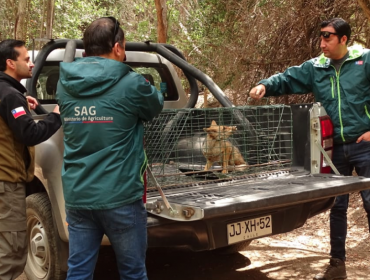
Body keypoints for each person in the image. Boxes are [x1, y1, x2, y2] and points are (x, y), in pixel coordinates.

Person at [249, 18, 370, 280]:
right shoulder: (317, 67)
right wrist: (265, 85)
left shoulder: (365, 61)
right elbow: (288, 78)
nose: (322, 43)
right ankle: (337, 265)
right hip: (334, 149)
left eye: (328, 37)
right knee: (337, 206)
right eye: (321, 37)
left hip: (365, 146)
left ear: (344, 39)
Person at [56, 17, 164, 280]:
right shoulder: (132, 83)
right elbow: (155, 105)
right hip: (120, 197)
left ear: (84, 51)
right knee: (133, 273)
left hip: (78, 196)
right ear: (117, 47)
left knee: (79, 271)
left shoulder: (63, 84)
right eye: (124, 47)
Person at [0, 39, 61, 279]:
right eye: (26, 59)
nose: (32, 63)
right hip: (7, 184)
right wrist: (56, 116)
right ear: (10, 63)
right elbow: (29, 134)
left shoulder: (9, 94)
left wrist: (23, 106)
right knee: (11, 255)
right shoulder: (9, 95)